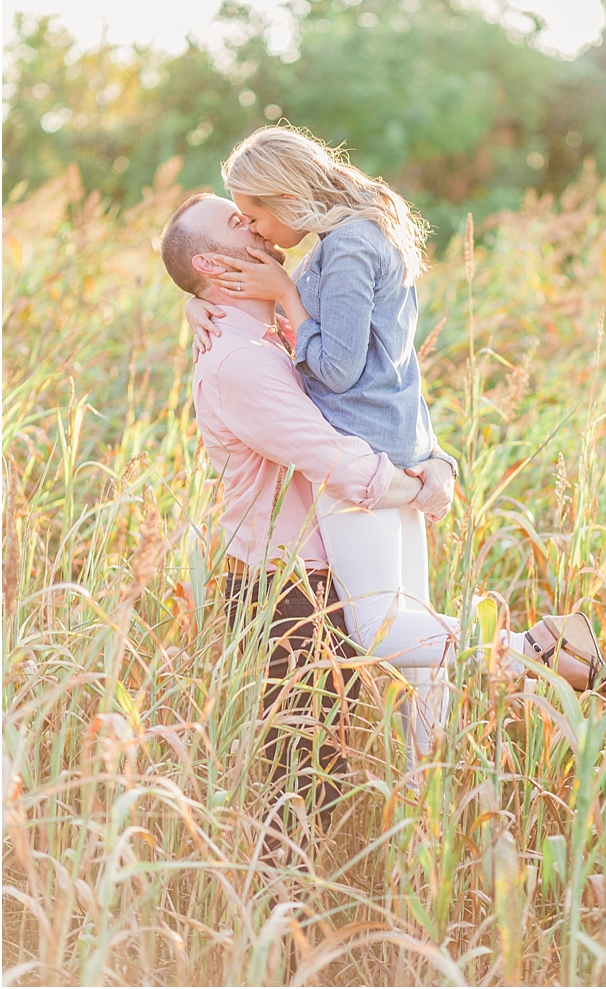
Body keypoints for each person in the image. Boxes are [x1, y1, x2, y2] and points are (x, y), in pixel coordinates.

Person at [185, 127, 606, 696]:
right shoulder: (363, 234)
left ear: (285, 196)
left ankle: (532, 647)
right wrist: (199, 300)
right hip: (397, 447)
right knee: (417, 643)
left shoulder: (345, 248)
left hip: (366, 455)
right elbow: (377, 361)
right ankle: (423, 775)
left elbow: (337, 369)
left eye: (254, 217)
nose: (259, 232)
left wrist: (287, 294)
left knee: (375, 627)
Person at [161, 192, 459, 840]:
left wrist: (432, 458)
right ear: (215, 262)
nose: (261, 230)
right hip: (284, 588)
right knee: (300, 785)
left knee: (324, 771)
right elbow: (339, 464)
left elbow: (380, 383)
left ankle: (397, 855)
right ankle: (523, 652)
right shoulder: (241, 359)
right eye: (240, 224)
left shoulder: (271, 329)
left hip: (314, 575)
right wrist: (424, 485)